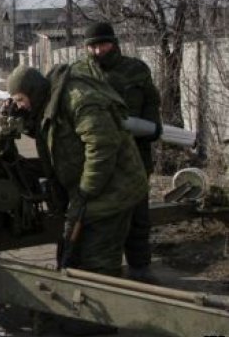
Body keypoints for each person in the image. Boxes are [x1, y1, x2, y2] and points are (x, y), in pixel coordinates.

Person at [6, 64, 149, 335]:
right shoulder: (50, 100)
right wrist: (20, 118)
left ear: (33, 91)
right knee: (72, 256)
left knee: (98, 266)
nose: (21, 105)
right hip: (90, 193)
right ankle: (80, 322)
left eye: (21, 100)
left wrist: (85, 190)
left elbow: (102, 145)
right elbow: (50, 132)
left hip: (113, 192)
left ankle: (100, 326)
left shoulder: (78, 98)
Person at [74, 22, 162, 283]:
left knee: (137, 213)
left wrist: (150, 127)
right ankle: (96, 269)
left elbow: (151, 102)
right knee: (96, 214)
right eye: (91, 46)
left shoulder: (136, 70)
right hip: (97, 154)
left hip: (135, 153)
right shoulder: (79, 73)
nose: (97, 51)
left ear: (114, 43)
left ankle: (139, 267)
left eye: (102, 45)